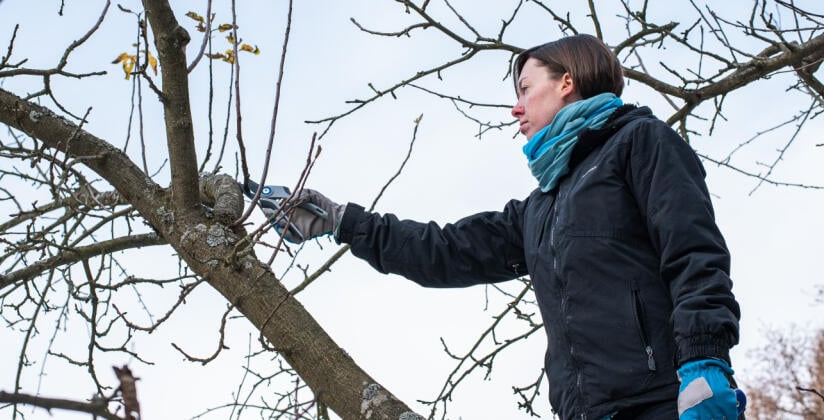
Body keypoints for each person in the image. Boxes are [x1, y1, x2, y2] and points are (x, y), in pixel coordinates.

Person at [266, 34, 744, 419]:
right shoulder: (539, 209)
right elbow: (448, 250)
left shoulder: (639, 142)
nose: (515, 109)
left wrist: (705, 360)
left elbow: (693, 252)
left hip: (663, 401)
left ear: (566, 83)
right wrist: (343, 222)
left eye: (524, 89)